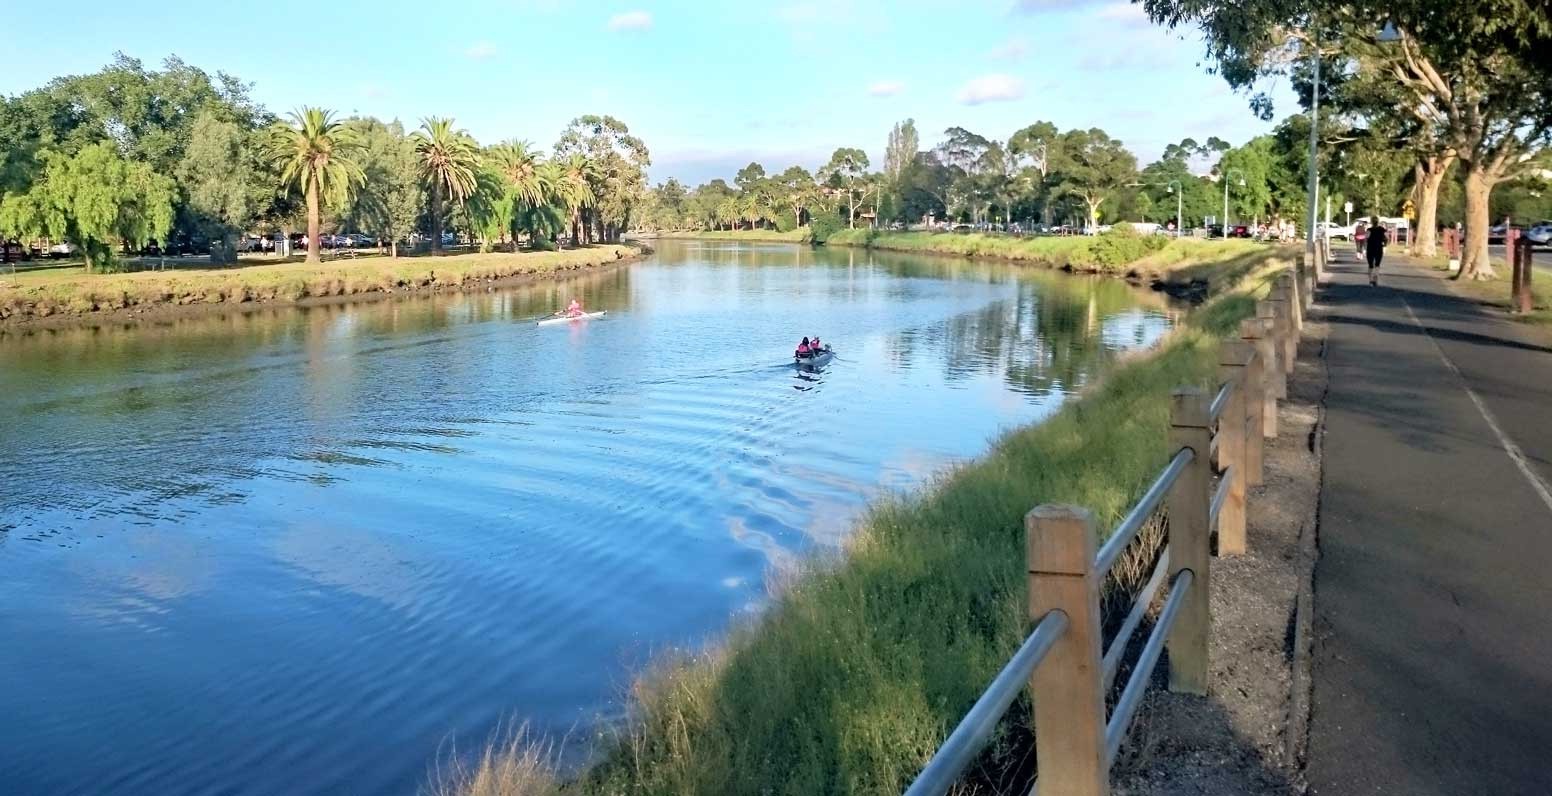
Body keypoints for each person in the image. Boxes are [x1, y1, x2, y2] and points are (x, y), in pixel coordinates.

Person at [1364, 216, 1388, 286]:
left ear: (1371, 222)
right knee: (1377, 264)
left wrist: (1364, 248)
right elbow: (1386, 238)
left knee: (1370, 265)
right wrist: (1385, 246)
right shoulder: (1382, 229)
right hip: (1379, 248)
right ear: (1378, 222)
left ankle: (1371, 280)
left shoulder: (1369, 230)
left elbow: (1366, 239)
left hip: (1370, 249)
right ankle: (1376, 277)